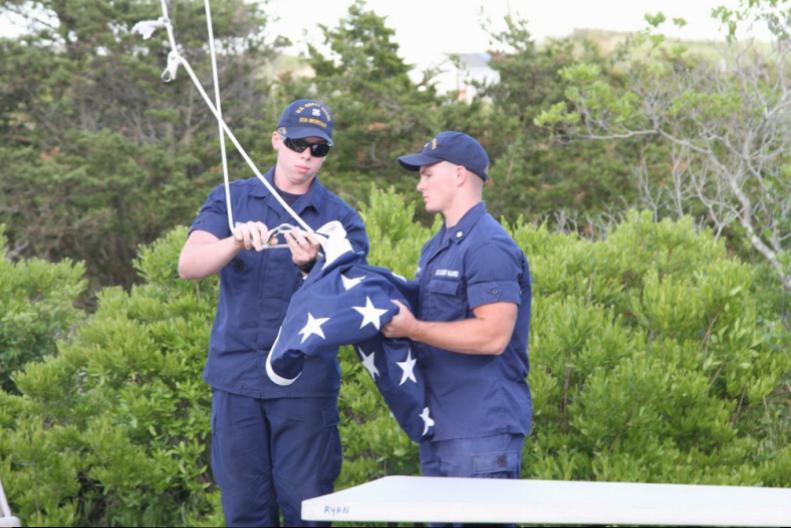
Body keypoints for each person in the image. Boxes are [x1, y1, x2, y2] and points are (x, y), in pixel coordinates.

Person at [178, 99, 368, 527]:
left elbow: (350, 306)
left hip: (304, 386)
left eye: (319, 149)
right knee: (246, 512)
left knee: (308, 512)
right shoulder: (232, 198)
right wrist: (234, 243)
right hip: (237, 382)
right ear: (277, 140)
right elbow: (188, 266)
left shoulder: (341, 220)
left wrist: (310, 268)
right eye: (299, 143)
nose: (306, 156)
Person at [382, 131, 532, 483]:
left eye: (428, 174)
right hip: (441, 426)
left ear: (460, 174)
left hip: (479, 429)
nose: (420, 184)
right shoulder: (438, 245)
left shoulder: (488, 245)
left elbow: (492, 335)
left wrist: (412, 328)